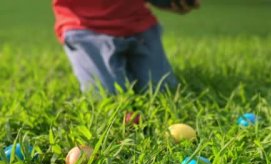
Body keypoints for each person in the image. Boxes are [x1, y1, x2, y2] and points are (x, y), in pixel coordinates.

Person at [52, 0, 200, 94]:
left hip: (137, 22)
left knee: (162, 90)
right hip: (85, 26)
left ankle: (125, 67)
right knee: (107, 96)